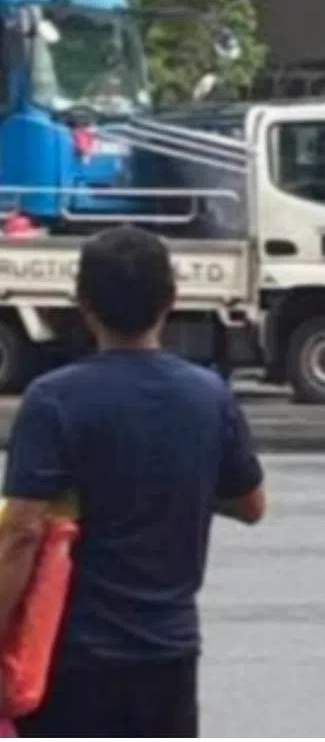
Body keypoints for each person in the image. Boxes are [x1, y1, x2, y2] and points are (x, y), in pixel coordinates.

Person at [0, 225, 266, 737]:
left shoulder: (53, 400)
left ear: (82, 303)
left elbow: (21, 534)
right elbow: (251, 505)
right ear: (172, 298)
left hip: (70, 658)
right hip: (169, 656)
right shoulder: (208, 396)